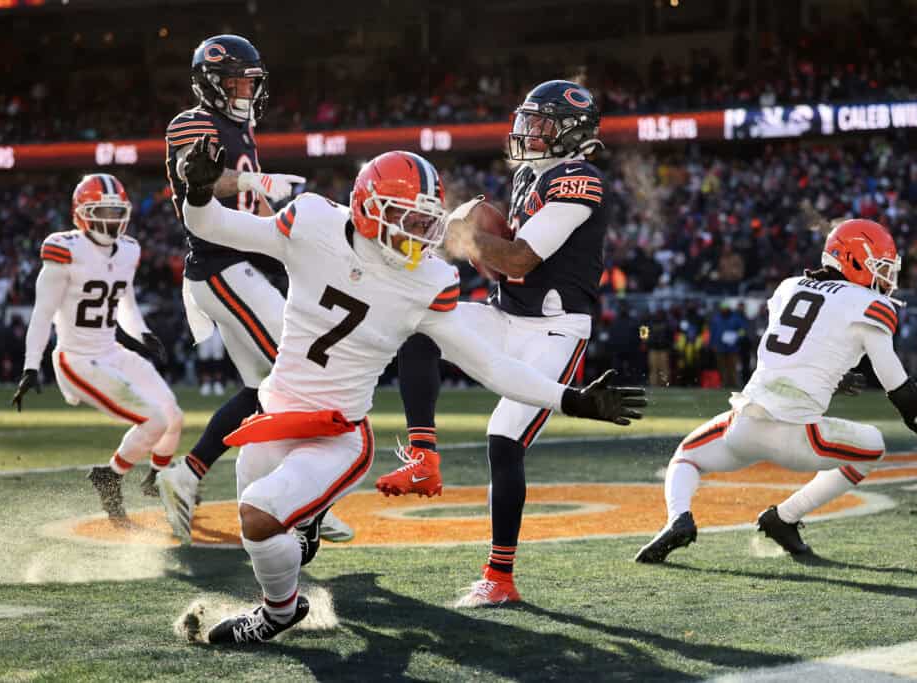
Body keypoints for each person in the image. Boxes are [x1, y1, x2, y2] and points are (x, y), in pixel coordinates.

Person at [179, 137, 645, 644]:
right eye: (406, 216)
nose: (420, 231)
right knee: (262, 529)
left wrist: (568, 398)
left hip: (340, 434)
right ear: (366, 208)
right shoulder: (310, 222)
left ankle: (274, 615)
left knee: (260, 514)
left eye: (426, 219)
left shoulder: (428, 279)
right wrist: (198, 189)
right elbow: (210, 224)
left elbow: (489, 364)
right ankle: (295, 566)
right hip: (275, 415)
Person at [375, 80, 612, 607]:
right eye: (528, 121)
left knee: (504, 439)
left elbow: (521, 258)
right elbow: (495, 254)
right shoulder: (532, 173)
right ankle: (423, 455)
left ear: (573, 132)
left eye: (542, 124)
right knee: (422, 325)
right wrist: (465, 231)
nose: (528, 132)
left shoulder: (580, 178)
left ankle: (500, 578)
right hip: (505, 314)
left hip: (554, 329)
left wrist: (456, 230)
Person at [635, 219, 917, 563]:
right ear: (851, 260)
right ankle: (784, 517)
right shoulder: (868, 304)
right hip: (799, 436)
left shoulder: (788, 287)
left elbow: (796, 353)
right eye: (878, 268)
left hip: (744, 425)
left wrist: (832, 379)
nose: (885, 279)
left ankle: (679, 518)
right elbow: (899, 388)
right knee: (873, 446)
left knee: (685, 457)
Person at [154, 34, 351, 544]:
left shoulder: (242, 128)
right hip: (221, 266)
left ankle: (186, 473)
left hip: (238, 265)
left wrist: (289, 227)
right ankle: (309, 499)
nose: (247, 90)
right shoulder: (194, 122)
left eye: (251, 81)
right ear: (211, 85)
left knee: (258, 388)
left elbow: (251, 206)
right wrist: (248, 184)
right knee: (301, 375)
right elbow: (195, 179)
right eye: (237, 81)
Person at [11, 174, 183, 522]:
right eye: (102, 210)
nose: (110, 219)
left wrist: (143, 334)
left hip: (112, 351)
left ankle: (155, 479)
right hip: (77, 359)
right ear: (82, 213)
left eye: (115, 211)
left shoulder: (130, 249)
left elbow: (126, 304)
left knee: (174, 417)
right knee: (154, 420)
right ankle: (109, 477)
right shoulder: (65, 248)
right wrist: (31, 365)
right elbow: (43, 313)